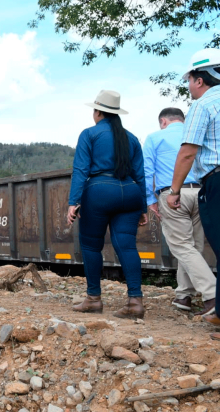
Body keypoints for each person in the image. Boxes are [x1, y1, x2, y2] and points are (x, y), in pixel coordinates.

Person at [67, 90, 149, 319]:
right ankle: (135, 302)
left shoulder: (89, 134)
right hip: (130, 193)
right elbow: (140, 175)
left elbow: (81, 170)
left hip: (99, 192)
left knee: (92, 246)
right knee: (127, 246)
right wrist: (142, 207)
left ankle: (93, 299)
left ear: (98, 112)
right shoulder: (131, 138)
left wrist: (73, 202)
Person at [164, 48, 220, 333]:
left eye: (189, 80)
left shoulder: (203, 105)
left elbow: (187, 152)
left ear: (200, 79)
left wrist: (173, 190)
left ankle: (215, 304)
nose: (188, 86)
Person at [143, 108, 216, 316]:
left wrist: (150, 200)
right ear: (182, 120)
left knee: (182, 247)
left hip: (173, 193)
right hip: (200, 192)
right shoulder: (194, 136)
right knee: (194, 247)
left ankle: (212, 295)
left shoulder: (155, 137)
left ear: (163, 121)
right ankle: (184, 295)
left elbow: (147, 172)